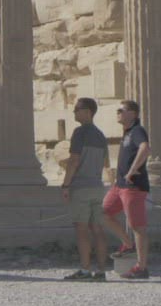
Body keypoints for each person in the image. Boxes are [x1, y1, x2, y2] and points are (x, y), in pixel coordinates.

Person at [58, 97, 110, 281]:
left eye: (77, 109)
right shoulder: (101, 135)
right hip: (97, 186)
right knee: (98, 229)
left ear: (88, 111)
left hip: (81, 187)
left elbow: (74, 160)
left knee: (81, 229)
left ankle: (85, 269)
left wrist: (66, 185)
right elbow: (105, 162)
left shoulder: (79, 132)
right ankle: (101, 271)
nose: (74, 112)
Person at [101, 100, 151, 279]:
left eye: (121, 110)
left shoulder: (137, 130)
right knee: (103, 213)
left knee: (137, 226)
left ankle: (142, 267)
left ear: (133, 114)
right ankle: (128, 244)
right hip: (119, 185)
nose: (118, 113)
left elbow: (145, 148)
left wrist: (132, 170)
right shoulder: (127, 132)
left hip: (133, 186)